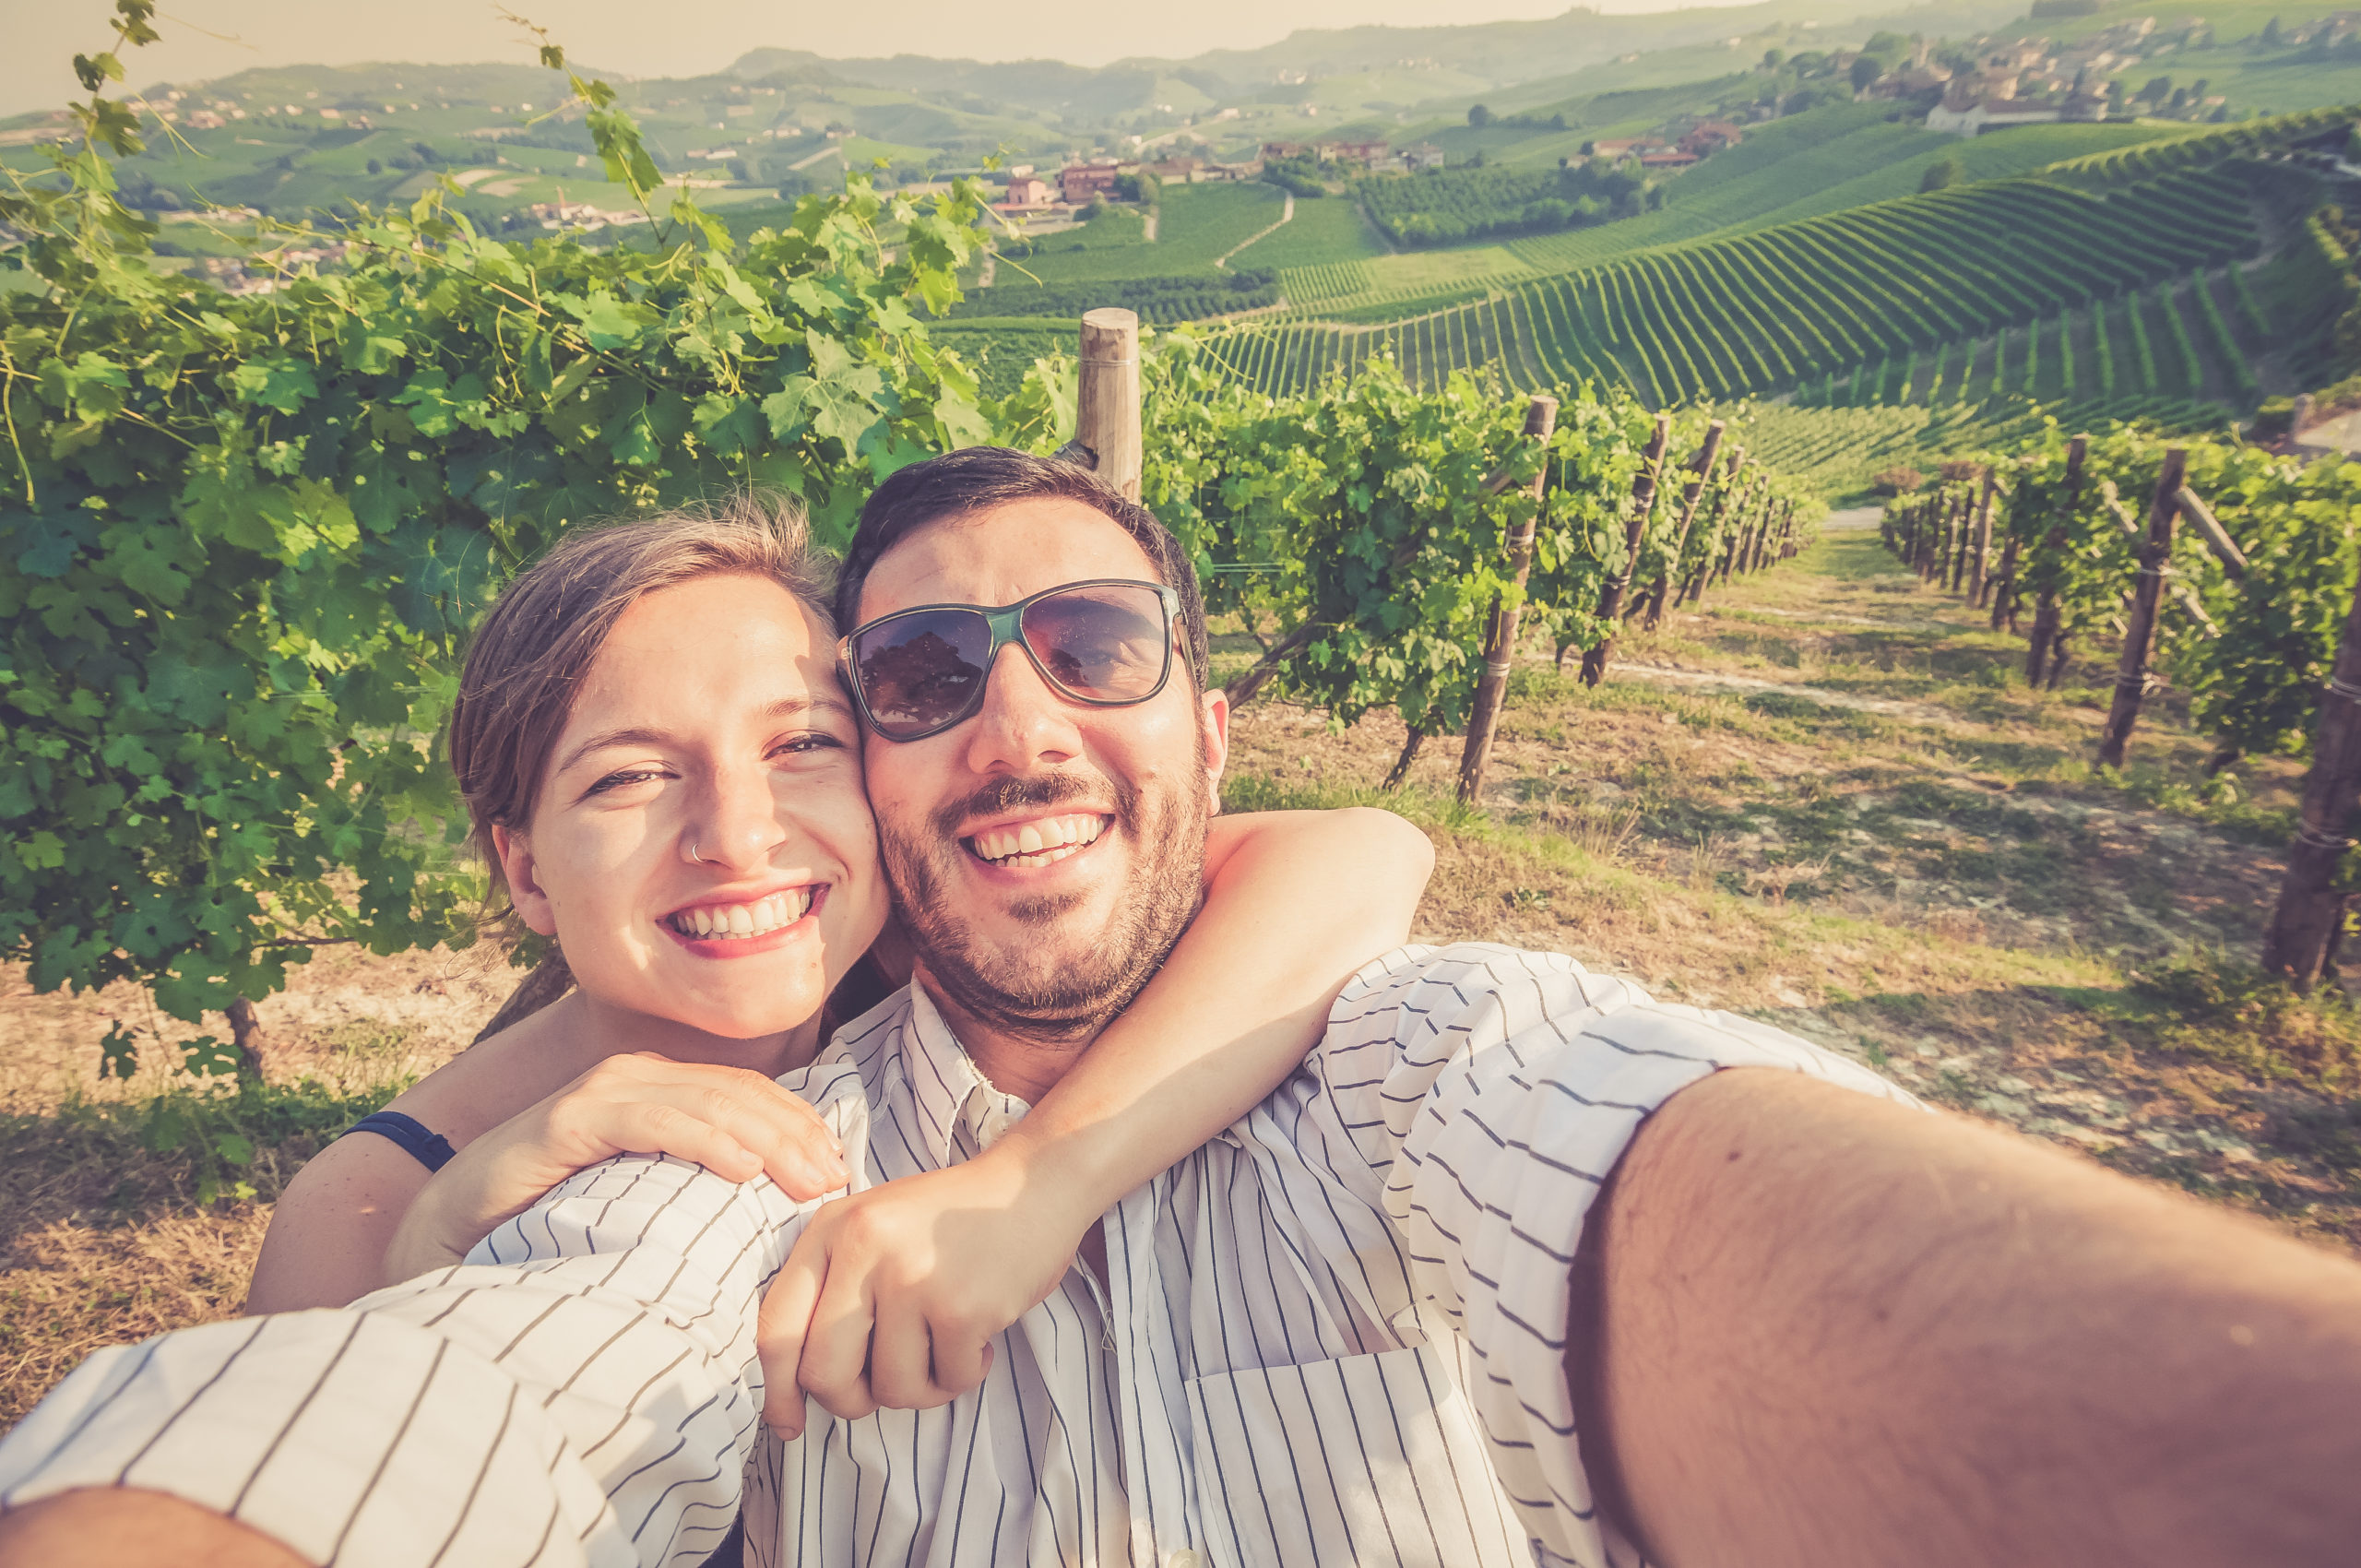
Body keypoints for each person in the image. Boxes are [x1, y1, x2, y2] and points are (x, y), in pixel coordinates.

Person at [6, 449, 2361, 1568]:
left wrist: (1036, 1177)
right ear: (521, 863)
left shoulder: (1391, 1026)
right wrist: (508, 1172)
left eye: (1095, 652)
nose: (1011, 724)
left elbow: (1468, 988)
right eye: (918, 677)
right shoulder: (648, 1155)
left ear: (1215, 746)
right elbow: (401, 1405)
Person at [237, 499, 1435, 1375]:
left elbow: (1364, 852)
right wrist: (436, 1259)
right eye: (630, 777)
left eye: (802, 744)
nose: (739, 836)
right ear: (523, 869)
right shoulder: (363, 1204)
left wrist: (1040, 1185)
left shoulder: (916, 950)